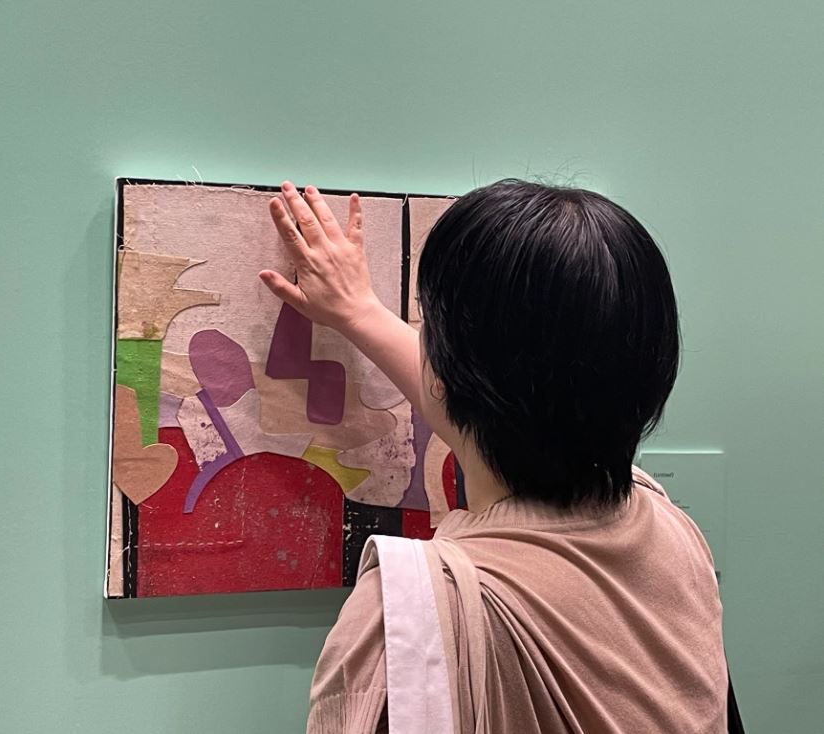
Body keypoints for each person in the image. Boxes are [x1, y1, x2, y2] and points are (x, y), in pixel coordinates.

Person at [259, 180, 728, 733]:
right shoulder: (669, 526)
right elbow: (515, 401)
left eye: (427, 324)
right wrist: (359, 312)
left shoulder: (413, 618)